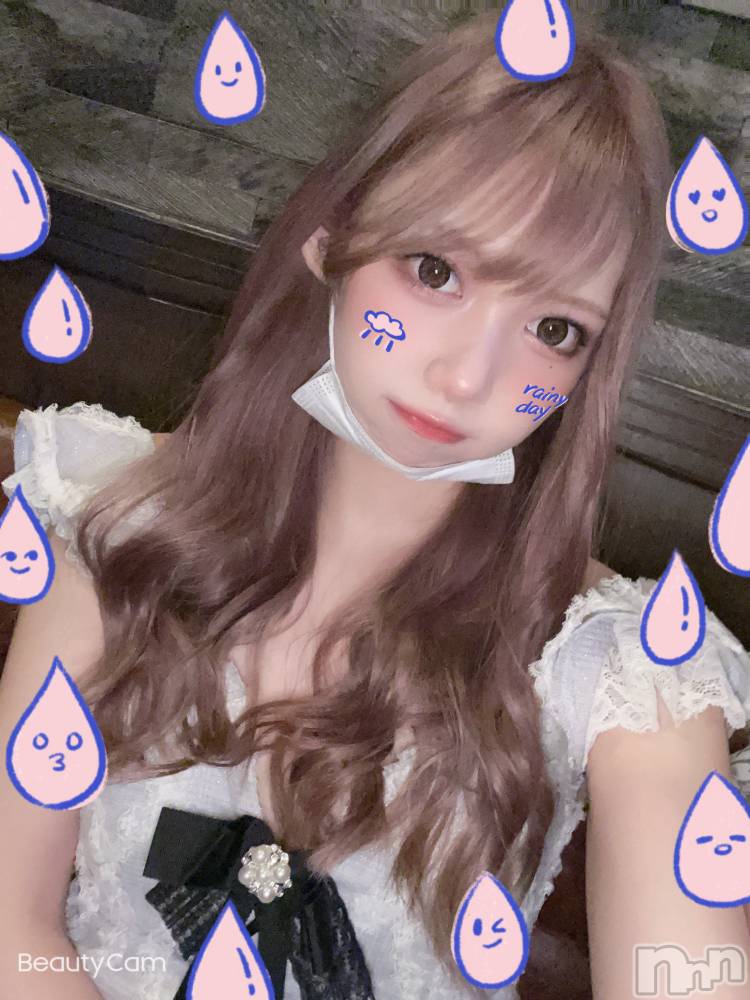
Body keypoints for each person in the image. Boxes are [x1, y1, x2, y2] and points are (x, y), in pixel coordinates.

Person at [1, 11, 749, 1000]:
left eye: (555, 328)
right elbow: (12, 920)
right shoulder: (108, 512)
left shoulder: (620, 669)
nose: (470, 377)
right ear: (332, 241)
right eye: (436, 271)